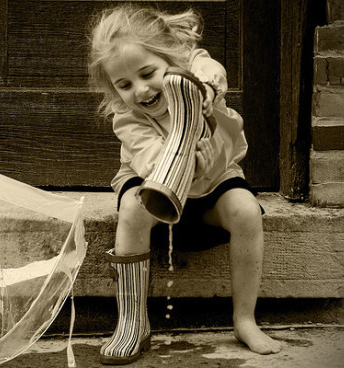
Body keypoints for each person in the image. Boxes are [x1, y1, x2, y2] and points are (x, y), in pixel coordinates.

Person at [87, 4, 282, 365]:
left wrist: (204, 89)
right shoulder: (128, 119)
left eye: (148, 73)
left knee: (245, 210)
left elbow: (208, 67)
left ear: (172, 58)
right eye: (124, 84)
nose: (140, 90)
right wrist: (183, 161)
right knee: (131, 206)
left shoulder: (193, 69)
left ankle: (244, 320)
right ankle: (132, 322)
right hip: (157, 188)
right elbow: (148, 162)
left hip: (213, 185)